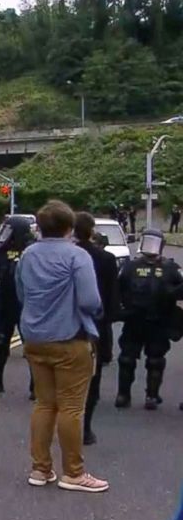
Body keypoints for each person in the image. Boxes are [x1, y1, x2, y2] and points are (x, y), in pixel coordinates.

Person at [17, 200, 108, 493]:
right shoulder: (77, 256)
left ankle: (40, 468)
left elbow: (20, 292)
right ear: (70, 227)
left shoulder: (28, 255)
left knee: (44, 404)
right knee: (71, 407)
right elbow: (90, 301)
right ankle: (74, 472)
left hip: (34, 336)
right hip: (70, 338)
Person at [116, 228, 183, 410]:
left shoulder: (130, 267)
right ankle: (149, 396)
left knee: (133, 358)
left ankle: (126, 395)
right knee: (149, 359)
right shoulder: (169, 268)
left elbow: (117, 289)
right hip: (153, 321)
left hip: (140, 320)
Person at [72, 213, 119, 445]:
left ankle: (65, 428)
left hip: (65, 325)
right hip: (95, 326)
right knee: (92, 377)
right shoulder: (106, 259)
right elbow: (110, 299)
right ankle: (85, 428)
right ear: (91, 231)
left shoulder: (65, 256)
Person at [0, 214, 34, 395]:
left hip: (26, 304)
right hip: (5, 302)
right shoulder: (2, 252)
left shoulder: (31, 251)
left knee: (31, 346)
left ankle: (36, 386)